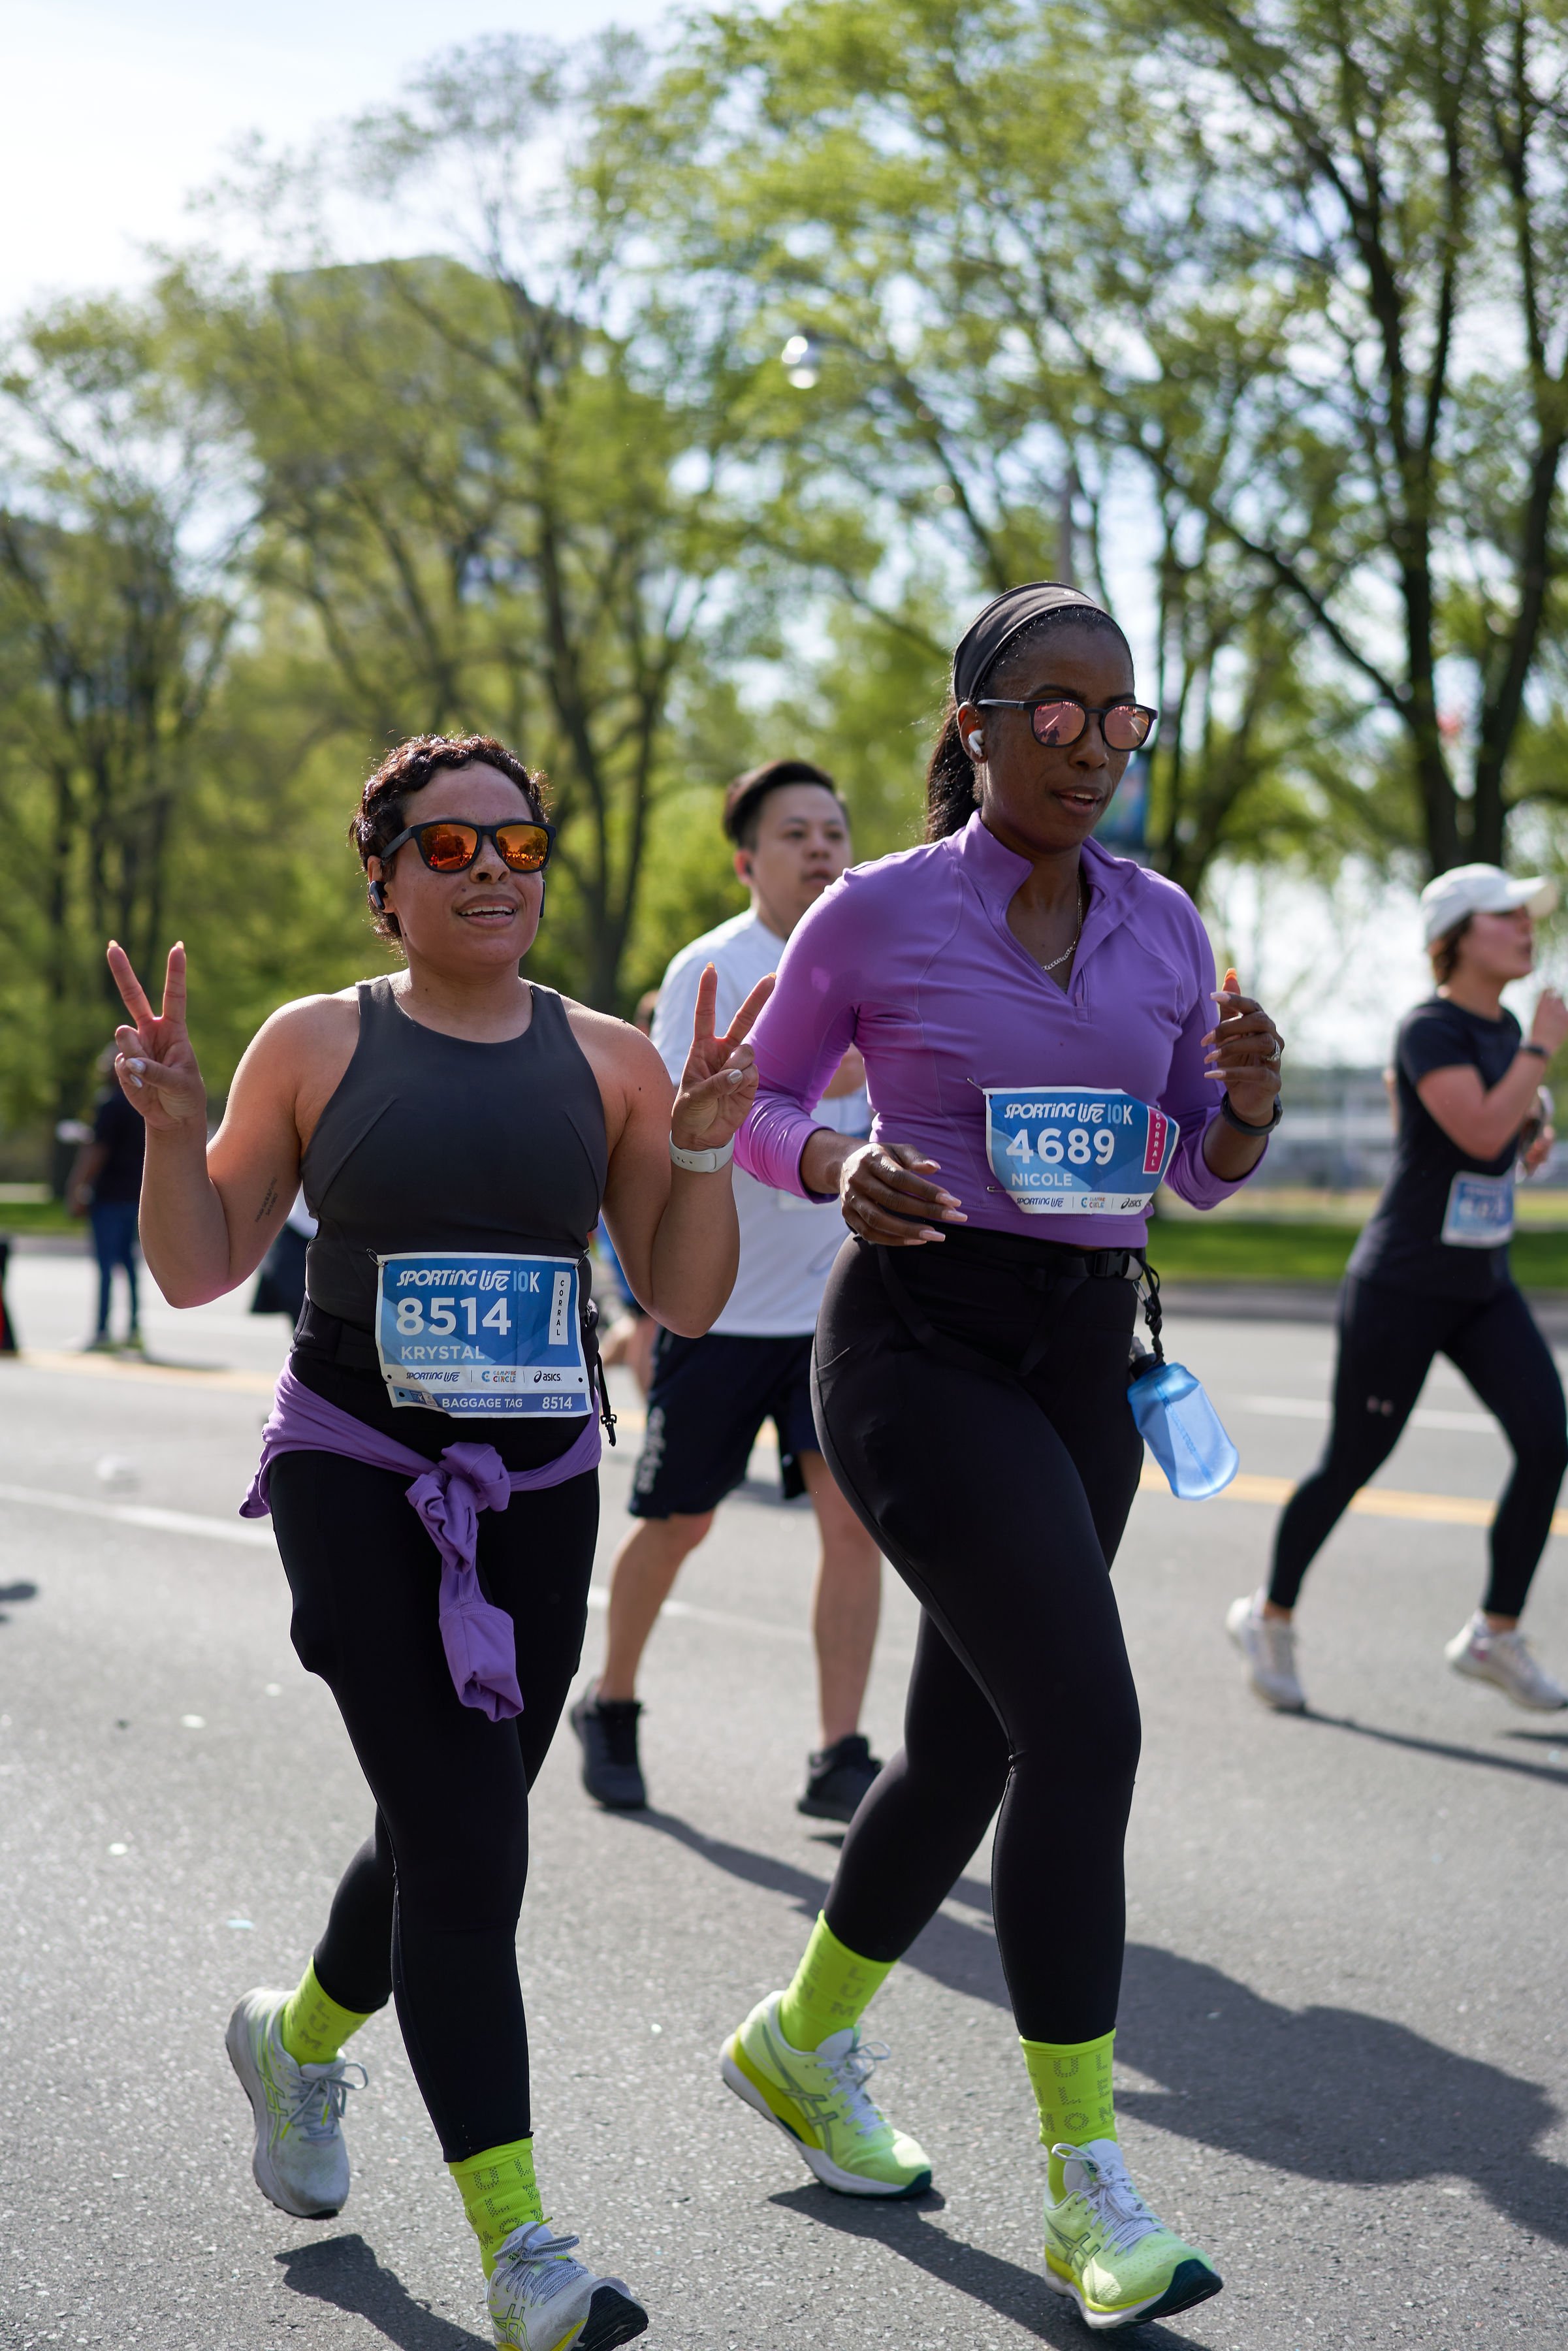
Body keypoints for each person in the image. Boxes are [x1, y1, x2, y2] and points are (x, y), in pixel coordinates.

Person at [105, 731, 769, 2351]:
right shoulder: (317, 1041)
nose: (491, 873)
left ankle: (296, 2036)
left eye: (519, 847)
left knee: (438, 1829)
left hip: (539, 1487)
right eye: (450, 848)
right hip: (356, 1468)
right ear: (386, 879)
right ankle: (523, 2247)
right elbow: (201, 1268)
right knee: (474, 1848)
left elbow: (683, 1300)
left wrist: (698, 1147)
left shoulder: (611, 1059)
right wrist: (173, 1128)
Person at [716, 585, 1283, 2331]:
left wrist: (1247, 1100)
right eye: (1059, 709)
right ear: (971, 721)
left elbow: (1195, 1169)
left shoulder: (1168, 926)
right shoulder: (874, 916)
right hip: (918, 1342)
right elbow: (753, 1103)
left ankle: (799, 2042)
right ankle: (1085, 2186)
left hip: (1080, 1358)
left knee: (970, 1750)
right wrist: (832, 1171)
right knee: (1086, 1728)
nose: (1095, 747)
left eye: (1124, 720)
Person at [571, 760, 882, 1819]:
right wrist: (641, 1304)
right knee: (680, 1521)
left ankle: (840, 1753)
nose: (822, 849)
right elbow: (665, 1139)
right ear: (750, 860)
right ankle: (610, 1701)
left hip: (839, 1305)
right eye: (796, 833)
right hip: (720, 1303)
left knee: (853, 1522)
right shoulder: (714, 970)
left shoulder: (882, 969)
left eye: (836, 831)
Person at [1229, 862, 1568, 1715]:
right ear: (1454, 938)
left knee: (1546, 1437)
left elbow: (1501, 1134)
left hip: (1480, 1282)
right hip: (1403, 1284)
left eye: (1528, 918)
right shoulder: (1428, 1029)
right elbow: (1480, 1121)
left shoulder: (1500, 1032)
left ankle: (1494, 1632)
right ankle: (1268, 1617)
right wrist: (1539, 1053)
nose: (1526, 929)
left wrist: (1535, 1122)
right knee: (1352, 1463)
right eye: (1506, 917)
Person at [67, 1046, 147, 1353]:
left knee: (105, 1265)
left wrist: (78, 1187)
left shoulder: (109, 1104)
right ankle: (134, 1330)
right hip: (136, 1195)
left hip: (110, 1196)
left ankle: (102, 1331)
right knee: (129, 1264)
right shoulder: (143, 1105)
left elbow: (96, 1152)